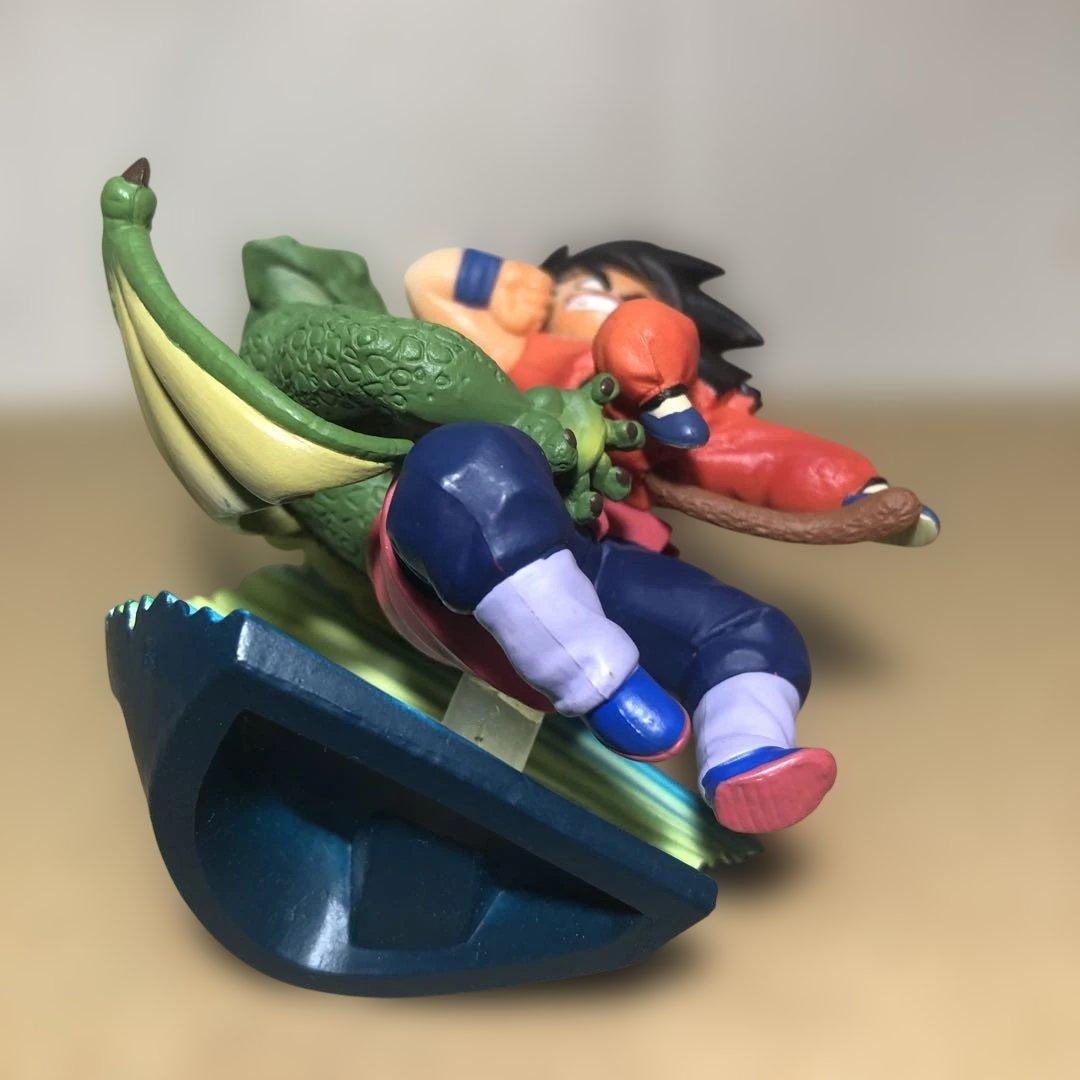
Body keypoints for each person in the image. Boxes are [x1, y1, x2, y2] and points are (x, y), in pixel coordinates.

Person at [405, 241, 939, 542]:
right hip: (560, 461)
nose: (604, 303)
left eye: (624, 295)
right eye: (589, 290)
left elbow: (766, 454)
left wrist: (856, 494)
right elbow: (429, 278)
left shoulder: (662, 348)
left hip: (666, 429)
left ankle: (661, 395)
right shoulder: (515, 351)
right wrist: (519, 281)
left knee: (645, 334)